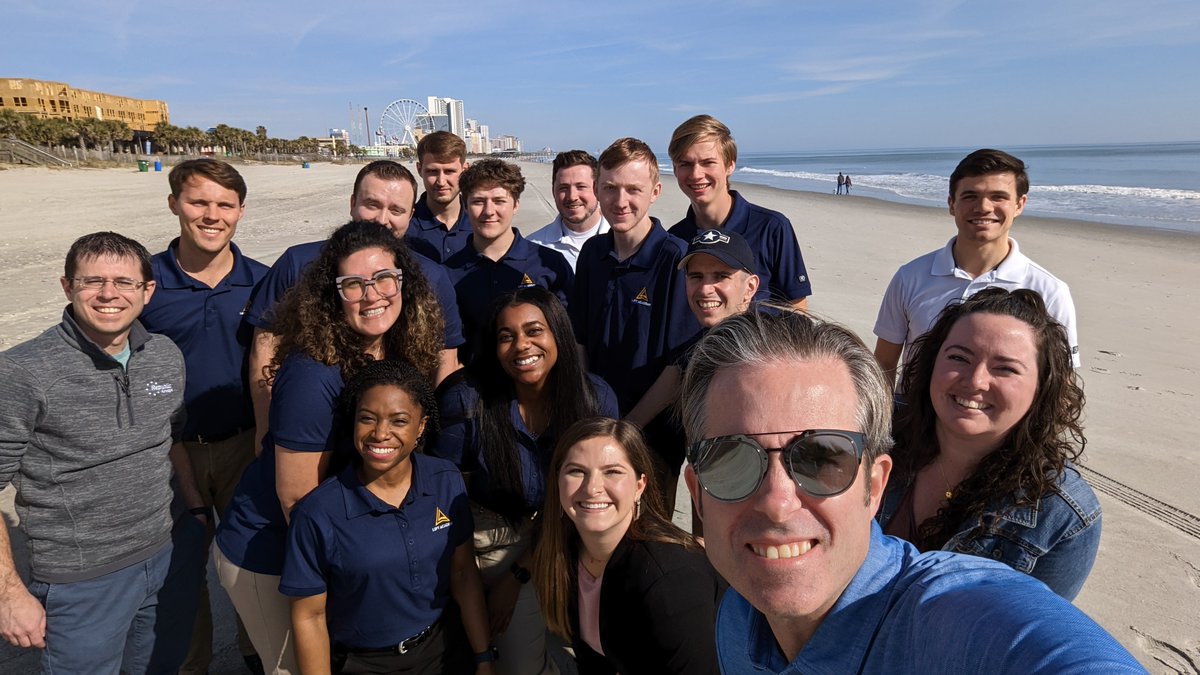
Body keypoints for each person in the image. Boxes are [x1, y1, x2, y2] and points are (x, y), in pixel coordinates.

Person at [679, 308, 1144, 672]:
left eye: (822, 457)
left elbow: (1030, 638)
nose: (778, 503)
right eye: (734, 459)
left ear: (874, 484)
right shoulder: (740, 613)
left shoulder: (952, 615)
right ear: (697, 493)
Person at [215, 221, 444, 674]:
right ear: (331, 295)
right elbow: (296, 498)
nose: (372, 294)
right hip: (271, 549)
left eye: (384, 278)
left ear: (405, 283)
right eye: (352, 284)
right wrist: (347, 578)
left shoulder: (393, 346)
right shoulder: (313, 374)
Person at [0, 232, 206, 673]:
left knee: (161, 666)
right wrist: (10, 594)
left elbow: (173, 439)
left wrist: (196, 509)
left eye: (125, 282)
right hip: (82, 579)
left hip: (170, 552)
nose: (109, 294)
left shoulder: (165, 355)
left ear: (147, 292)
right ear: (67, 287)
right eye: (92, 281)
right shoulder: (23, 372)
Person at [430, 288, 618, 675]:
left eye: (535, 331)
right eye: (506, 336)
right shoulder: (467, 400)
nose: (521, 346)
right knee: (517, 665)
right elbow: (446, 502)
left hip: (569, 533)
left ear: (558, 335)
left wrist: (519, 575)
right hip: (492, 537)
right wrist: (482, 582)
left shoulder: (593, 397)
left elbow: (601, 494)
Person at [878, 288, 1101, 600]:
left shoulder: (1061, 515)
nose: (976, 381)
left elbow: (1019, 635)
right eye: (959, 358)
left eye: (1005, 368)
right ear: (931, 363)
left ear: (1041, 387)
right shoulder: (872, 436)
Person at [281, 360, 496, 674]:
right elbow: (309, 618)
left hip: (444, 652)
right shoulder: (316, 514)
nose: (380, 433)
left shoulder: (446, 480)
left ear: (421, 427)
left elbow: (463, 574)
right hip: (363, 663)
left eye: (399, 421)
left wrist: (483, 657)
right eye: (367, 418)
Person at [139, 158, 267, 674]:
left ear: (240, 211)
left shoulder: (261, 282)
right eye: (198, 202)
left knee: (252, 565)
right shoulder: (145, 284)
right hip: (169, 452)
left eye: (224, 205)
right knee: (180, 573)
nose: (212, 215)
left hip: (245, 443)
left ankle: (257, 656)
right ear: (174, 204)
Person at [246, 160, 465, 452]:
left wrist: (429, 439)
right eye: (371, 204)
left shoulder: (433, 277)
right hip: (312, 429)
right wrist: (265, 429)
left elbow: (444, 362)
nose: (381, 219)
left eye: (396, 210)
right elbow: (265, 349)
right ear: (352, 203)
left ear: (411, 215)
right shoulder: (297, 263)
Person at [532, 418, 725, 675]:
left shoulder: (669, 579)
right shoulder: (560, 551)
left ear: (639, 486)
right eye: (576, 471)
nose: (592, 488)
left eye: (612, 472)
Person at [873, 148, 1079, 385]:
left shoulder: (1048, 291)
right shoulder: (910, 277)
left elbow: (1060, 382)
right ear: (952, 204)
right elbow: (884, 364)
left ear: (1019, 205)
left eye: (998, 197)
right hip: (914, 418)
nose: (983, 207)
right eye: (970, 196)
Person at [570, 137, 700, 502]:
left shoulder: (675, 259)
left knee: (647, 534)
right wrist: (587, 405)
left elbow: (679, 366)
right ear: (597, 189)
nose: (620, 200)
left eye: (633, 189)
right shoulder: (592, 253)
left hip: (653, 434)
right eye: (609, 188)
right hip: (596, 422)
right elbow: (580, 338)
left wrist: (627, 429)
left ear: (655, 191)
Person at [666, 115, 811, 309]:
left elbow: (797, 309)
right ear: (675, 170)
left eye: (708, 162)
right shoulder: (675, 239)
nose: (696, 174)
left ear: (730, 165)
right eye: (685, 164)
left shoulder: (771, 228)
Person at [444, 158, 574, 362]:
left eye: (499, 201)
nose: (489, 211)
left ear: (516, 205)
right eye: (478, 201)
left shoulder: (550, 264)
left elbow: (567, 335)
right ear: (465, 205)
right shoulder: (447, 273)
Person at [528, 150, 610, 271]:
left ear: (597, 189)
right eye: (563, 188)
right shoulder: (533, 247)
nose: (572, 196)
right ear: (553, 191)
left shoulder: (622, 242)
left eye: (581, 187)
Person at [407, 131, 473, 263]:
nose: (441, 181)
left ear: (465, 170)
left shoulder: (482, 221)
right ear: (419, 170)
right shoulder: (405, 226)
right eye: (432, 171)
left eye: (449, 171)